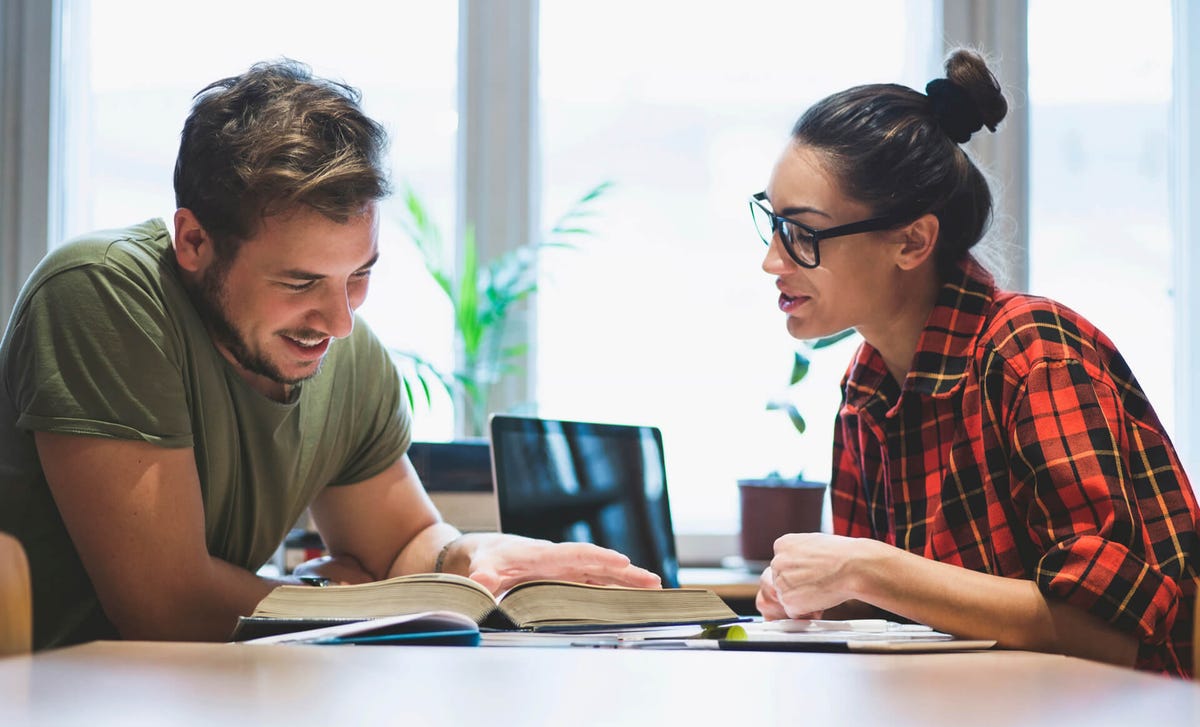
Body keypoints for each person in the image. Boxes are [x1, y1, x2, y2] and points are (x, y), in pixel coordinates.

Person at [0, 60, 659, 650]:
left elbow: (403, 545)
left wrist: (480, 556)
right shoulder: (103, 294)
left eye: (360, 274)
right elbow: (165, 605)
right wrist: (328, 599)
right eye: (299, 282)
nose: (340, 320)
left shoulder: (346, 355)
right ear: (194, 242)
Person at [750, 49, 1199, 677]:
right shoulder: (867, 385)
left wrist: (867, 569)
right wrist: (821, 594)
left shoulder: (1033, 351)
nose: (773, 261)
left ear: (911, 241)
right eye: (770, 223)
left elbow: (1104, 634)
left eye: (802, 232)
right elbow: (907, 609)